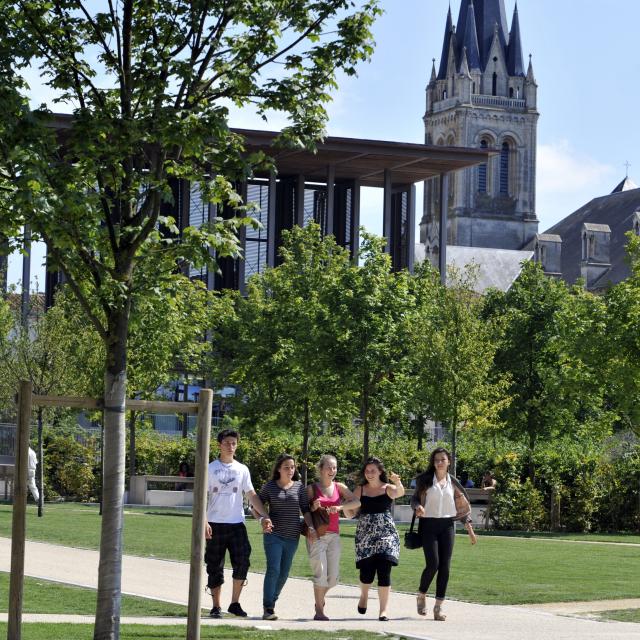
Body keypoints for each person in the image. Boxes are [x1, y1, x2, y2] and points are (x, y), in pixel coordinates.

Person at [204, 429, 271, 619]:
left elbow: (251, 495)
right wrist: (204, 522)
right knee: (214, 565)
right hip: (215, 523)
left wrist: (266, 515)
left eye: (233, 443)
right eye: (227, 443)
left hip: (236, 524)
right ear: (219, 445)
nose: (230, 446)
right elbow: (201, 496)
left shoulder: (242, 469)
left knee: (243, 561)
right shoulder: (210, 468)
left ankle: (234, 603)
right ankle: (216, 607)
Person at [410, 447, 476, 622]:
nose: (439, 462)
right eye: (436, 460)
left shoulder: (453, 482)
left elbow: (462, 506)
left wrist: (469, 528)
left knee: (445, 567)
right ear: (433, 462)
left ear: (449, 462)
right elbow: (414, 499)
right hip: (428, 525)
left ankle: (438, 608)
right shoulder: (424, 480)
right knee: (433, 564)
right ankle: (421, 594)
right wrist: (417, 507)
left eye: (443, 460)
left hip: (447, 525)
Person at [257, 454, 312, 621]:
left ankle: (272, 601)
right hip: (273, 535)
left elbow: (305, 509)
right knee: (273, 569)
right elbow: (256, 506)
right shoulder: (270, 487)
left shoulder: (299, 487)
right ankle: (268, 607)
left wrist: (311, 527)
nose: (290, 470)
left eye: (292, 467)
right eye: (286, 467)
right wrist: (263, 519)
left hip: (292, 536)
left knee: (284, 573)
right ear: (279, 469)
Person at [306, 454, 360, 621]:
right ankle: (319, 611)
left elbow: (357, 502)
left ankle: (319, 601)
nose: (332, 470)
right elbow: (304, 510)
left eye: (335, 467)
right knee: (320, 573)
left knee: (333, 578)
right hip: (317, 535)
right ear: (321, 469)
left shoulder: (340, 486)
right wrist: (313, 507)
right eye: (329, 467)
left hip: (334, 536)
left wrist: (340, 507)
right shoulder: (311, 489)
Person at [353, 456, 404, 621]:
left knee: (384, 569)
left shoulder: (388, 488)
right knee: (366, 572)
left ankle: (383, 611)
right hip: (365, 534)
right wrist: (344, 509)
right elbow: (352, 508)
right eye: (367, 471)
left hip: (386, 533)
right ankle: (364, 595)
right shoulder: (360, 489)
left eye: (373, 470)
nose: (369, 473)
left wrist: (398, 482)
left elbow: (400, 493)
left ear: (380, 472)